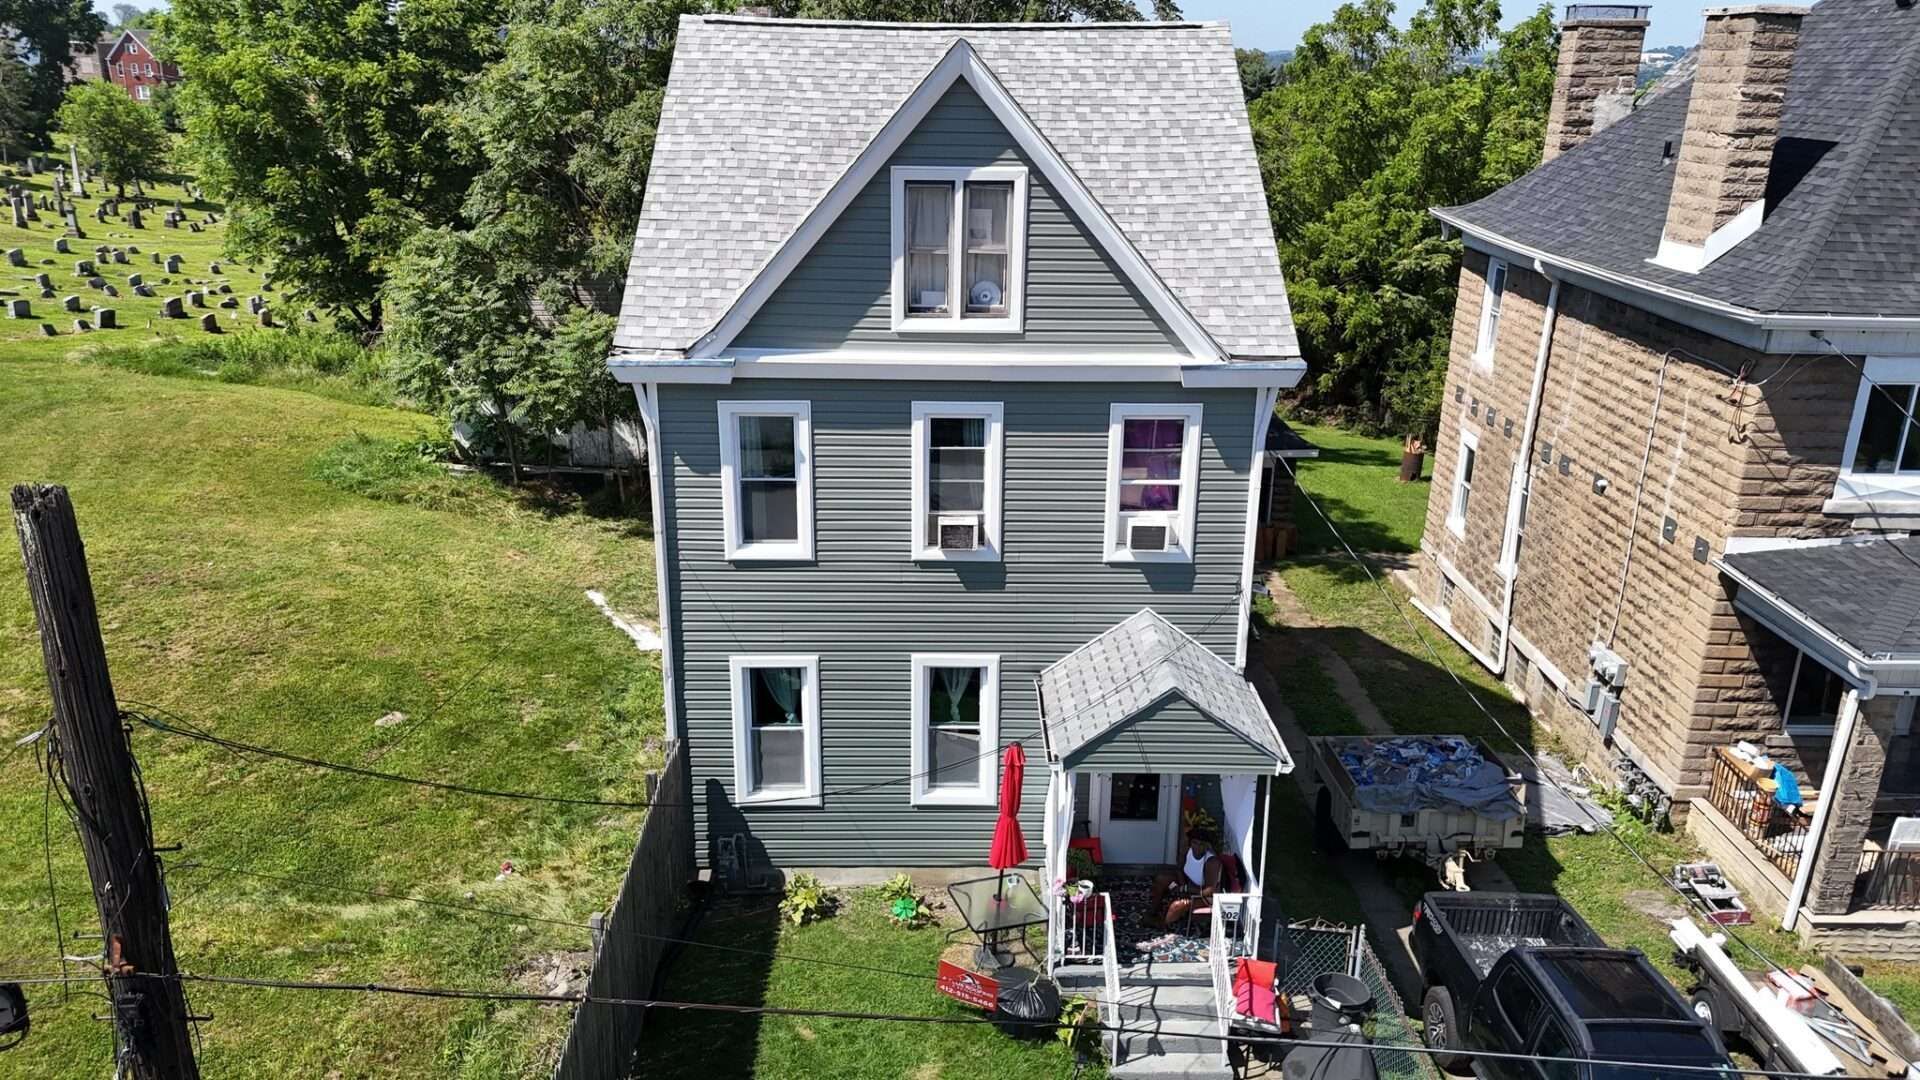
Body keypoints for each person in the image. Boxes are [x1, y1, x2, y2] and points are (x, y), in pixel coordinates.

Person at [1148, 827, 1222, 929]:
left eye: (1201, 844)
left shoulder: (1211, 862)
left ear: (1207, 846)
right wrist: (1182, 886)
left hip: (1204, 897)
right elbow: (1179, 869)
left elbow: (1210, 891)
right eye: (1194, 843)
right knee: (1162, 879)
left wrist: (1186, 890)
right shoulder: (1187, 850)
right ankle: (1152, 912)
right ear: (1190, 843)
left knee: (1177, 905)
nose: (1197, 847)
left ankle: (1162, 924)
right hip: (1186, 884)